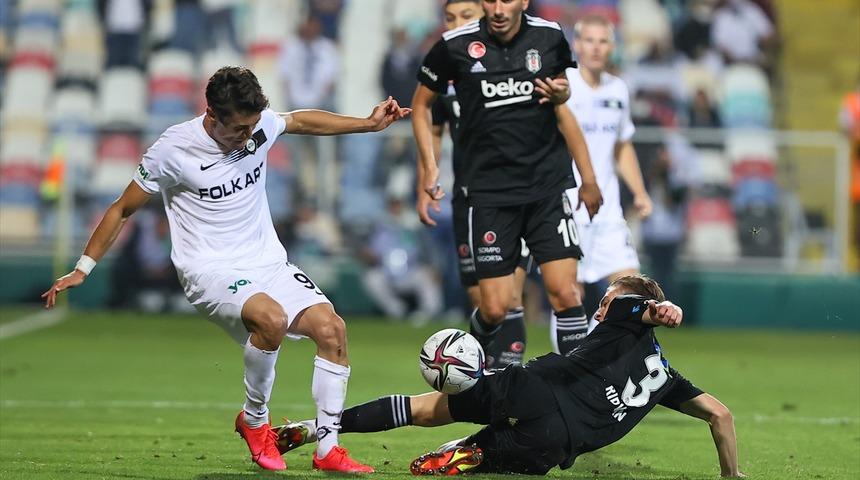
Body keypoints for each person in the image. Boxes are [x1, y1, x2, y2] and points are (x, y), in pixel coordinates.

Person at [41, 66, 411, 473]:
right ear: (212, 115)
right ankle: (255, 420)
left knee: (332, 329)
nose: (249, 136)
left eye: (253, 126)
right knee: (271, 319)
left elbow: (299, 121)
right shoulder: (174, 150)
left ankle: (328, 449)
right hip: (208, 269)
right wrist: (83, 267)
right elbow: (122, 209)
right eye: (239, 129)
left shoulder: (256, 125)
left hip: (267, 262)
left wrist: (366, 124)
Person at [274, 275, 744, 478]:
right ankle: (473, 452)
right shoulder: (666, 378)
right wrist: (731, 474)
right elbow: (720, 416)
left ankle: (317, 429)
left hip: (535, 387)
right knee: (499, 451)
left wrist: (663, 308)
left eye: (604, 302)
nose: (600, 310)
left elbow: (647, 308)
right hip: (557, 443)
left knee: (426, 408)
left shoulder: (623, 313)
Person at [413, 0, 603, 370]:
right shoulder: (454, 46)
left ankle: (581, 385)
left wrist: (588, 178)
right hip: (490, 195)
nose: (499, 8)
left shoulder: (549, 37)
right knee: (496, 307)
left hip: (546, 187)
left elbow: (561, 100)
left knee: (566, 292)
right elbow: (421, 106)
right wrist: (429, 170)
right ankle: (467, 365)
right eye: (491, 0)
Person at [425, 0, 532, 368]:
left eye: (466, 16)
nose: (457, 24)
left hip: (516, 196)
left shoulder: (513, 61)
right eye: (450, 18)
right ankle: (482, 378)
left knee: (509, 298)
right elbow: (433, 126)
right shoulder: (444, 72)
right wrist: (428, 175)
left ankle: (507, 380)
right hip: (468, 199)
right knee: (484, 303)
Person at [551, 15, 653, 355]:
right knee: (570, 294)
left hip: (607, 209)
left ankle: (591, 360)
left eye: (603, 41)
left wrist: (639, 192)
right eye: (589, 40)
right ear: (577, 45)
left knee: (632, 292)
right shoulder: (563, 85)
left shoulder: (618, 89)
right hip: (566, 205)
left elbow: (622, 146)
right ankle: (571, 365)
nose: (595, 48)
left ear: (612, 47)